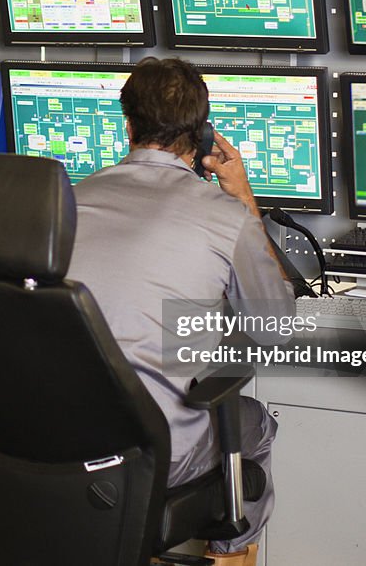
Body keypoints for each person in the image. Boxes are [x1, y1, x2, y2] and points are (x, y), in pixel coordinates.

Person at [67, 57, 294, 566]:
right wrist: (243, 196)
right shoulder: (224, 215)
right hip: (156, 455)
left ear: (128, 124)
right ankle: (229, 555)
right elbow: (275, 327)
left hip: (59, 437)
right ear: (203, 133)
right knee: (253, 423)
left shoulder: (65, 202)